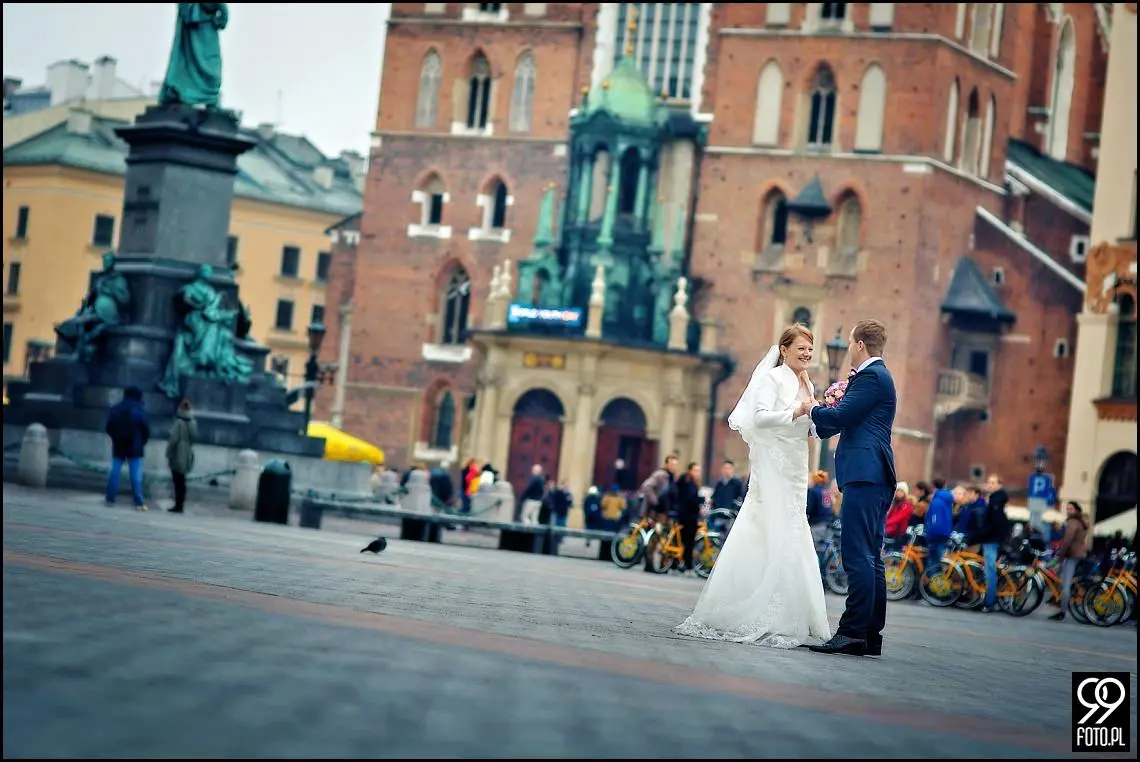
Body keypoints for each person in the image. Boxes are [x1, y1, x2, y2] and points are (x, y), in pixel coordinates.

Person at [674, 324, 831, 648]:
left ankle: (799, 612)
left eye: (810, 349)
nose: (806, 354)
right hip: (774, 464)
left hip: (796, 465)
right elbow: (760, 418)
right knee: (766, 526)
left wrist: (819, 414)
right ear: (784, 350)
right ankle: (753, 605)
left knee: (793, 527)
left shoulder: (807, 382)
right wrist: (798, 410)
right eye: (801, 348)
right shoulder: (771, 379)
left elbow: (807, 427)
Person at [807, 319, 897, 658]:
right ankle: (870, 634)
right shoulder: (879, 378)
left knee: (858, 553)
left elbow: (841, 416)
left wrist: (811, 408)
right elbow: (844, 419)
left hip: (865, 474)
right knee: (871, 556)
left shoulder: (872, 377)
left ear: (859, 345)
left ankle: (852, 631)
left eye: (848, 343)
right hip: (873, 475)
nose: (847, 350)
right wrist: (824, 418)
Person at [104, 385, 151, 511]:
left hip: (119, 444)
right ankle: (138, 501)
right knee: (136, 475)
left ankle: (110, 498)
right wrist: (142, 442)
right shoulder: (140, 409)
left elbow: (109, 427)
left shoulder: (116, 408)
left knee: (114, 472)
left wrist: (115, 438)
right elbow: (146, 429)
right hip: (135, 445)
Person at [637, 455, 679, 573]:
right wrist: (655, 501)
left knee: (666, 539)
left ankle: (662, 565)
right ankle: (649, 564)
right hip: (658, 512)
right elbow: (646, 486)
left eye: (675, 464)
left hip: (667, 512)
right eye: (672, 464)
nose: (674, 467)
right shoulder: (660, 475)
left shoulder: (673, 477)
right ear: (666, 464)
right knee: (656, 538)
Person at [977, 473, 1011, 612]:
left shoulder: (996, 500)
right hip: (991, 538)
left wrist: (983, 532)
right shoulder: (994, 499)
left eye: (993, 483)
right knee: (989, 568)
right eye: (989, 482)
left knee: (990, 570)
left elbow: (994, 522)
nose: (990, 485)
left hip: (992, 539)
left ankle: (989, 602)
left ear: (999, 485)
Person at [1049, 501, 1088, 621]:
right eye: (1067, 508)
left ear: (1076, 510)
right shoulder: (1081, 521)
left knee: (1066, 583)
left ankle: (1062, 612)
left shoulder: (1073, 522)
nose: (1068, 511)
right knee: (1060, 575)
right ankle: (1055, 598)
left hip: (1071, 554)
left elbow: (1067, 541)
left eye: (1071, 509)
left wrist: (1060, 555)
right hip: (1077, 554)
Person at [165, 398, 197, 513]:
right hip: (187, 453)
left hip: (178, 453)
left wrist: (168, 452)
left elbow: (173, 440)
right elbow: (194, 438)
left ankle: (177, 505)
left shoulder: (178, 422)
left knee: (177, 480)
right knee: (182, 481)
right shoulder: (193, 423)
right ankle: (181, 504)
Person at [675, 462, 704, 573]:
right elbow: (691, 499)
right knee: (689, 542)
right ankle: (688, 566)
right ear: (690, 471)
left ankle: (678, 564)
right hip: (689, 516)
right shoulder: (689, 482)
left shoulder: (685, 481)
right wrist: (700, 502)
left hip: (683, 514)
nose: (698, 473)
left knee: (681, 541)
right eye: (696, 470)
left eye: (699, 471)